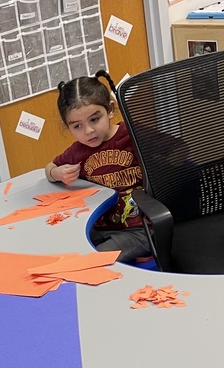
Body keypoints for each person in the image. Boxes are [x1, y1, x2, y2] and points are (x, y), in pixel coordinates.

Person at [44, 70, 151, 264]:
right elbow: (49, 168)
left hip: (140, 229)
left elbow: (180, 152)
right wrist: (57, 173)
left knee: (90, 262)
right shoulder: (78, 151)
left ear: (110, 109)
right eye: (77, 126)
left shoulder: (133, 134)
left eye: (95, 119)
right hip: (97, 228)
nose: (89, 131)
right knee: (60, 253)